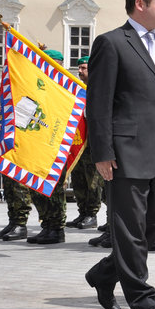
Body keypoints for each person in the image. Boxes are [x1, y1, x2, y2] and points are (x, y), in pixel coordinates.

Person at [84, 0, 155, 309]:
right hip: (125, 153)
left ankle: (103, 272)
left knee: (154, 227)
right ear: (140, 5)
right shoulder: (111, 43)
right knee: (129, 229)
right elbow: (97, 103)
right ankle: (143, 301)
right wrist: (102, 151)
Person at [27, 49, 69, 245]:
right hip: (39, 141)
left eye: (51, 62)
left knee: (54, 187)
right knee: (37, 188)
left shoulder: (66, 85)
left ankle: (56, 228)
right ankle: (47, 225)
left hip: (56, 143)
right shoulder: (39, 83)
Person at [67, 56, 103, 231]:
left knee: (93, 182)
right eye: (79, 68)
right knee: (78, 179)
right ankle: (82, 212)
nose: (80, 71)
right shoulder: (76, 90)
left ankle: (92, 214)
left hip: (92, 144)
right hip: (78, 142)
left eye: (84, 68)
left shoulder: (98, 89)